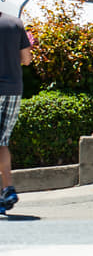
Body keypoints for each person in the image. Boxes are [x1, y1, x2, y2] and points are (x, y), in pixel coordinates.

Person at [0, 11, 32, 215]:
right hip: (13, 90)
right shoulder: (15, 23)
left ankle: (6, 190)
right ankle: (7, 189)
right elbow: (26, 60)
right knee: (2, 141)